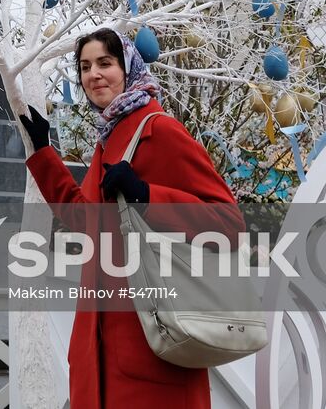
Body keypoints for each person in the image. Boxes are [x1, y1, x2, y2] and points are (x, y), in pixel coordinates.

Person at [17, 27, 237, 409]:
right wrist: (43, 152)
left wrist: (147, 196)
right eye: (85, 67)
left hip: (154, 355)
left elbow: (228, 224)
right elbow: (85, 222)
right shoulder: (110, 139)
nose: (94, 75)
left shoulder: (160, 131)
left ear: (128, 67)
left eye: (105, 63)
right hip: (101, 355)